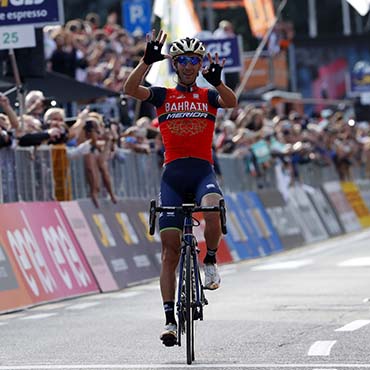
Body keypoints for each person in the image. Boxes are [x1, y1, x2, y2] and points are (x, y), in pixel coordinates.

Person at [124, 29, 237, 346]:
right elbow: (130, 88)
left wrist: (217, 81)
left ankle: (211, 260)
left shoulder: (209, 96)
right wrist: (145, 62)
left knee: (213, 204)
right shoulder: (161, 95)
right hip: (172, 176)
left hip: (202, 171)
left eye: (194, 60)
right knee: (169, 251)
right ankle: (170, 320)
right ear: (175, 64)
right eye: (182, 60)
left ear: (200, 64)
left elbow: (232, 101)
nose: (188, 65)